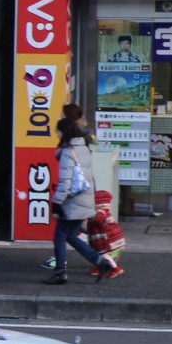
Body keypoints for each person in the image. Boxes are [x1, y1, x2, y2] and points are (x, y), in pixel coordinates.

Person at [48, 117, 121, 284]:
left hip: (71, 203)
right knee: (70, 235)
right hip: (84, 200)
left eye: (57, 131)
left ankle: (60, 272)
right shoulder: (85, 149)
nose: (56, 135)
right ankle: (100, 262)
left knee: (59, 236)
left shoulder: (68, 152)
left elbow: (65, 182)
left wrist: (57, 202)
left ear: (63, 132)